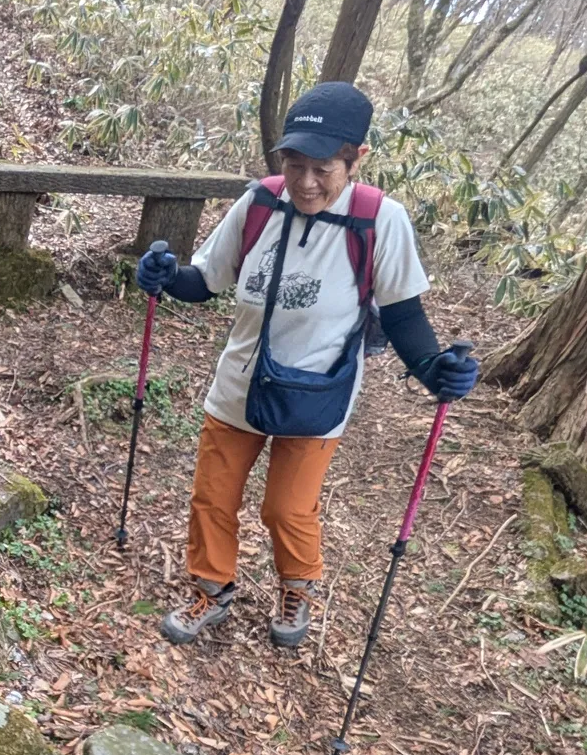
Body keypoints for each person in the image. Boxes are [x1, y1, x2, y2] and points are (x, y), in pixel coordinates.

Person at [136, 81, 477, 649]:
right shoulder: (261, 203)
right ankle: (211, 588)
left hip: (317, 391)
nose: (306, 182)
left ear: (356, 159)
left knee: (287, 508)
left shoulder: (379, 222)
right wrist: (167, 277)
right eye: (294, 165)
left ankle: (297, 586)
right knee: (213, 497)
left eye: (322, 168)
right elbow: (206, 280)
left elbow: (402, 316)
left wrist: (435, 369)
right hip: (240, 383)